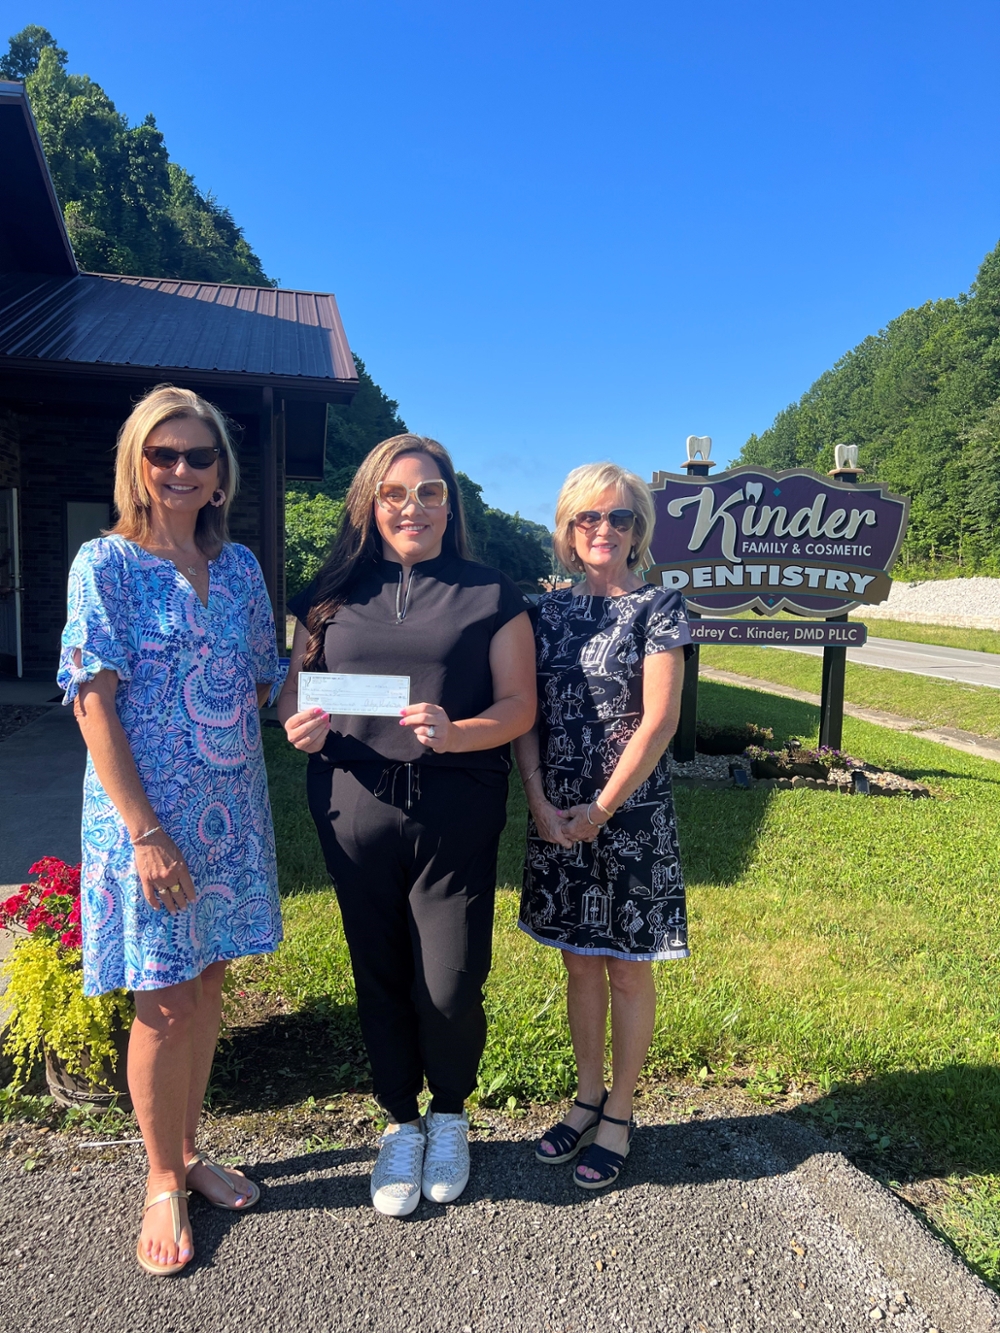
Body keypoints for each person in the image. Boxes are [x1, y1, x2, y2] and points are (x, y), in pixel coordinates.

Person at [278, 434, 535, 1217]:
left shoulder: (491, 592)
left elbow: (520, 707)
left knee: (451, 983)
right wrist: (297, 724)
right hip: (354, 804)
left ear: (449, 504)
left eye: (428, 493)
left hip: (454, 807)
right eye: (395, 492)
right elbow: (292, 695)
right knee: (379, 973)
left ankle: (450, 1112)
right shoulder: (330, 591)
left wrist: (458, 732)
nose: (412, 507)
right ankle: (399, 1121)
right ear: (370, 501)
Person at [58, 385, 283, 1276]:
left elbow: (269, 684)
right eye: (165, 454)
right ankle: (160, 1177)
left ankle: (190, 1149)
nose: (182, 470)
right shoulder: (102, 564)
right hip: (146, 824)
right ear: (138, 466)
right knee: (164, 997)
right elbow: (92, 705)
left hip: (231, 816)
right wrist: (146, 830)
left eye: (199, 456)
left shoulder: (239, 571)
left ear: (222, 475)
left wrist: (335, 690)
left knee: (209, 981)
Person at [514, 462, 691, 1189]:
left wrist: (603, 808)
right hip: (556, 814)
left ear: (638, 530)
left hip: (630, 816)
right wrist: (537, 800)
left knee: (627, 969)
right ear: (567, 529)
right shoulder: (543, 613)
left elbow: (659, 720)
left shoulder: (660, 608)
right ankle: (585, 1096)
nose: (604, 530)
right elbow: (525, 713)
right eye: (589, 517)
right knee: (578, 963)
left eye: (619, 517)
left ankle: (619, 1109)